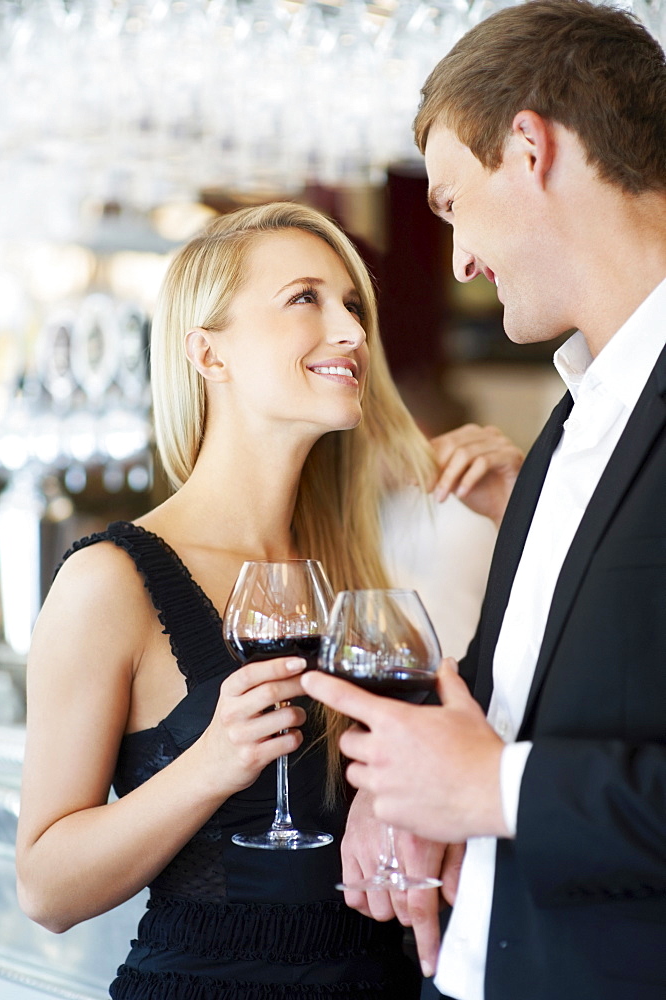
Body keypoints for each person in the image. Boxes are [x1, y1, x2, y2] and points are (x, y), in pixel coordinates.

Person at [15, 201, 520, 1000]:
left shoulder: (347, 566)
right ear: (207, 353)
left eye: (353, 305)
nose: (352, 331)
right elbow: (46, 889)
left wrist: (524, 510)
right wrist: (208, 767)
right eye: (305, 299)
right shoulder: (110, 580)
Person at [302, 3, 666, 999]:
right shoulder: (572, 417)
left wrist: (491, 789)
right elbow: (534, 684)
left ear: (529, 145)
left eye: (454, 202)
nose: (459, 260)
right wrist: (407, 793)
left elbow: (509, 767)